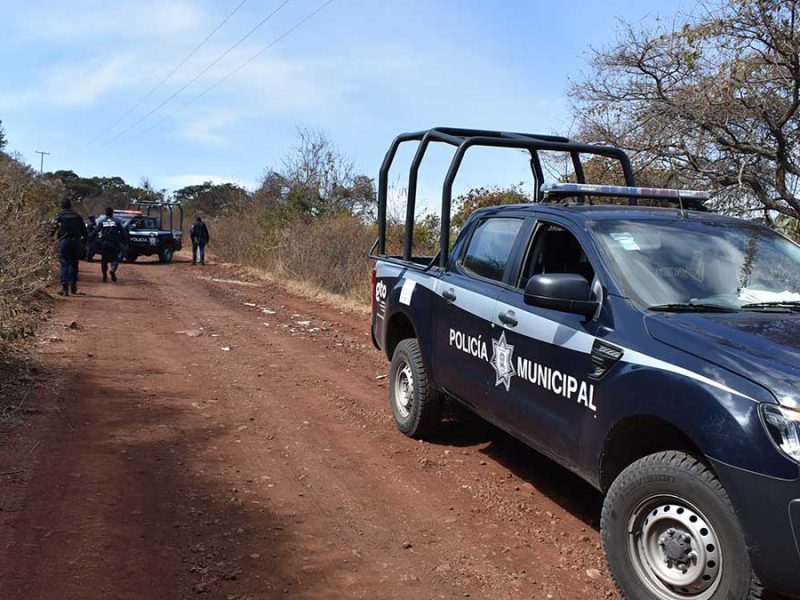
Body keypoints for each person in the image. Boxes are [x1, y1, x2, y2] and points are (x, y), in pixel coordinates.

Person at [50, 198, 87, 296]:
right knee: (74, 264)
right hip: (76, 242)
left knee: (64, 263)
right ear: (70, 206)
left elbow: (53, 228)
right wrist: (85, 243)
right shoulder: (77, 216)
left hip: (64, 242)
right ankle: (73, 286)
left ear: (62, 206)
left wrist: (50, 238)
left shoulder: (59, 216)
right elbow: (84, 231)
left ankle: (65, 287)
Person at [90, 207, 127, 282]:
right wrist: (124, 242)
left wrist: (90, 240)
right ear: (112, 213)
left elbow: (95, 231)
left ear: (106, 213)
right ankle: (113, 269)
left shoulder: (102, 221)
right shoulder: (117, 221)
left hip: (104, 244)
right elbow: (123, 233)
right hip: (114, 244)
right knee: (115, 258)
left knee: (104, 261)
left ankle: (104, 277)